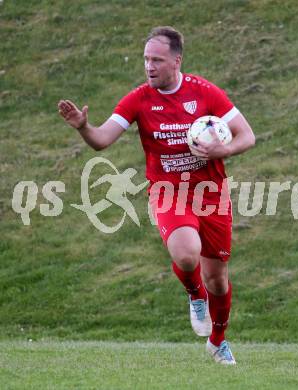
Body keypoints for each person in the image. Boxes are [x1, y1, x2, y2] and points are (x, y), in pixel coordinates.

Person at [58, 26, 255, 365]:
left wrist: (222, 148)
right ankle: (195, 296)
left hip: (211, 195)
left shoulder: (204, 92)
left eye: (157, 60)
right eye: (146, 59)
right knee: (187, 254)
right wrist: (83, 128)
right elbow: (103, 139)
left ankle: (218, 340)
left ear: (177, 61)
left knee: (218, 282)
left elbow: (247, 136)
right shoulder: (138, 99)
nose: (149, 66)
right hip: (168, 193)